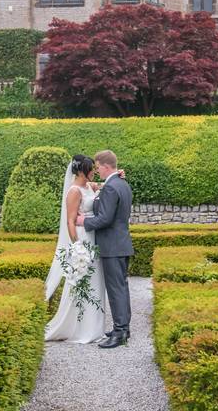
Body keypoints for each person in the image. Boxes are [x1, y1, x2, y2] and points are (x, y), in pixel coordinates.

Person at [44, 155, 107, 343]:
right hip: (82, 236)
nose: (93, 172)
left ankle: (94, 328)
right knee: (82, 281)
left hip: (93, 236)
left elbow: (102, 186)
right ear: (81, 171)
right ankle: (80, 329)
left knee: (95, 280)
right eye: (90, 169)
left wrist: (117, 176)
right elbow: (70, 222)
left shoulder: (89, 186)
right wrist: (77, 246)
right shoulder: (73, 191)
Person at [77, 149, 134, 349]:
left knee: (116, 289)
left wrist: (84, 220)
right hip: (121, 244)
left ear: (106, 166)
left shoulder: (111, 186)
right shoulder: (121, 183)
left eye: (98, 166)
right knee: (122, 287)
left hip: (112, 246)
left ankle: (119, 333)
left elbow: (105, 219)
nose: (96, 170)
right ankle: (124, 328)